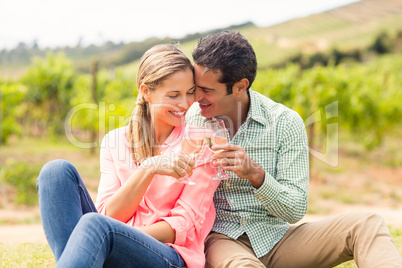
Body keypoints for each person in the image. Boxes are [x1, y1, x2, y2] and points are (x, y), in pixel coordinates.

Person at [186, 31, 402, 267]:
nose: (197, 97)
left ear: (240, 86)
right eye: (196, 87)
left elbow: (295, 209)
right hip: (221, 238)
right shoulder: (191, 119)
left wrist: (256, 175)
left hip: (277, 239)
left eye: (207, 90)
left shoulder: (284, 122)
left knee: (367, 223)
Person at [37, 44, 219, 268]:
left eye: (190, 92)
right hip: (112, 242)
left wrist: (124, 237)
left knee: (96, 225)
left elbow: (184, 225)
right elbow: (110, 215)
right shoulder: (116, 141)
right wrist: (149, 168)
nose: (184, 104)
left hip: (168, 256)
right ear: (146, 91)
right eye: (174, 95)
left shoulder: (203, 143)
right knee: (55, 172)